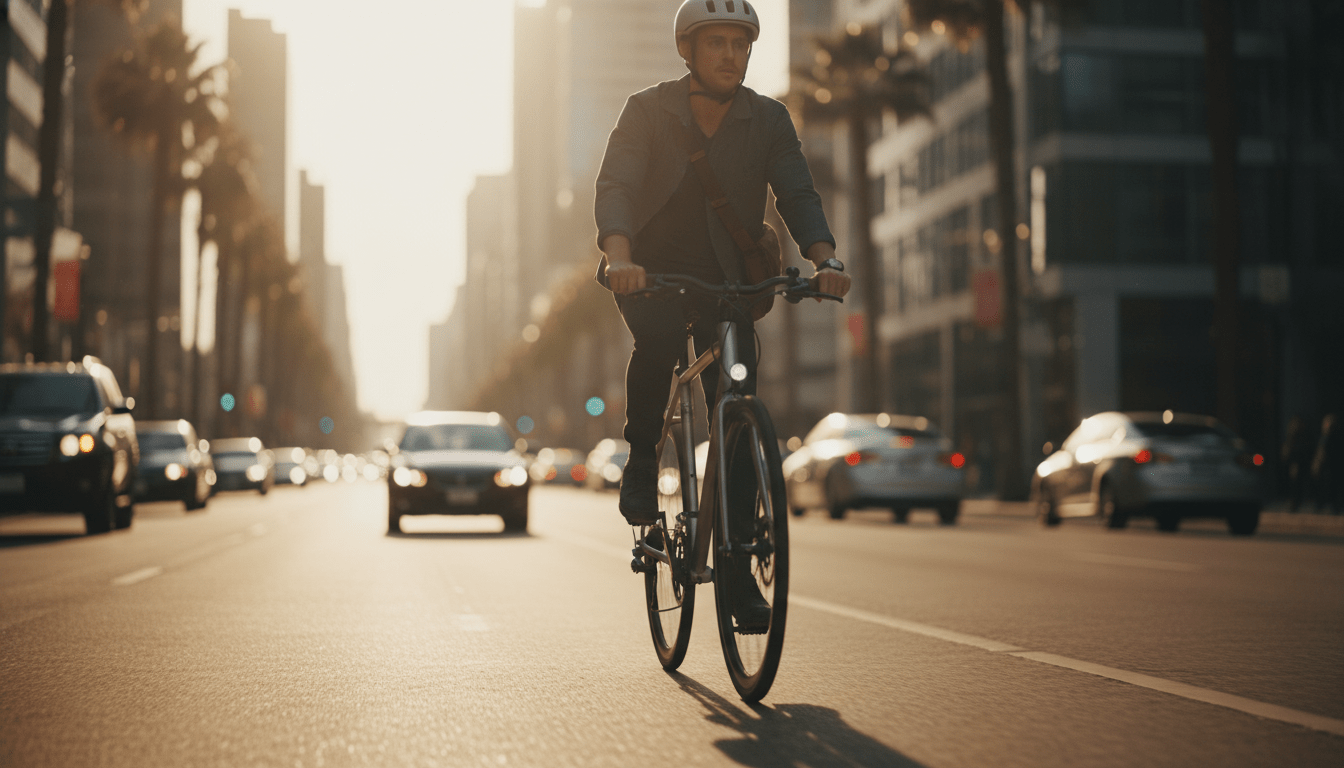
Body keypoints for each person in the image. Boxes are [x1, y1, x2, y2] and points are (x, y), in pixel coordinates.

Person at [594, 0, 850, 532]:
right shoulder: (647, 110)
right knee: (659, 343)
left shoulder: (768, 119)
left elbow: (797, 194)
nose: (731, 55)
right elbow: (617, 184)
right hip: (651, 272)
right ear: (686, 49)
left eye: (740, 44)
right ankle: (641, 462)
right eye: (716, 43)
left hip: (729, 279)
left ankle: (741, 537)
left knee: (737, 389)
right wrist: (620, 257)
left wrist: (826, 259)